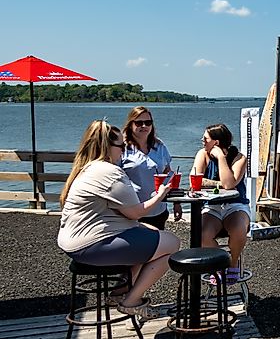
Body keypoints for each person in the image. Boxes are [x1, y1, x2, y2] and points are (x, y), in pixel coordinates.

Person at [57, 120, 181, 322]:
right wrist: (160, 195)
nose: (123, 151)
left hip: (73, 242)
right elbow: (135, 213)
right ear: (107, 147)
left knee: (151, 233)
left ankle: (119, 291)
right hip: (91, 245)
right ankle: (131, 301)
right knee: (172, 243)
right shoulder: (109, 172)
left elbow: (123, 214)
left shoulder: (87, 168)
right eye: (121, 146)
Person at [191, 123, 250, 283]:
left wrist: (221, 158)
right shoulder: (202, 155)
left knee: (238, 229)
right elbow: (195, 180)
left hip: (235, 205)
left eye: (205, 139)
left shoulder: (239, 158)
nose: (202, 141)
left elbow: (230, 184)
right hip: (212, 206)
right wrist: (217, 184)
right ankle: (220, 263)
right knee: (201, 235)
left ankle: (233, 262)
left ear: (216, 142)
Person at [121, 106, 182, 229]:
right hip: (132, 210)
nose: (144, 126)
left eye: (148, 123)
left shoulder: (159, 146)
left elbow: (169, 175)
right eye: (139, 123)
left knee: (158, 245)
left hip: (158, 210)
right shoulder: (122, 148)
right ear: (130, 125)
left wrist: (177, 202)